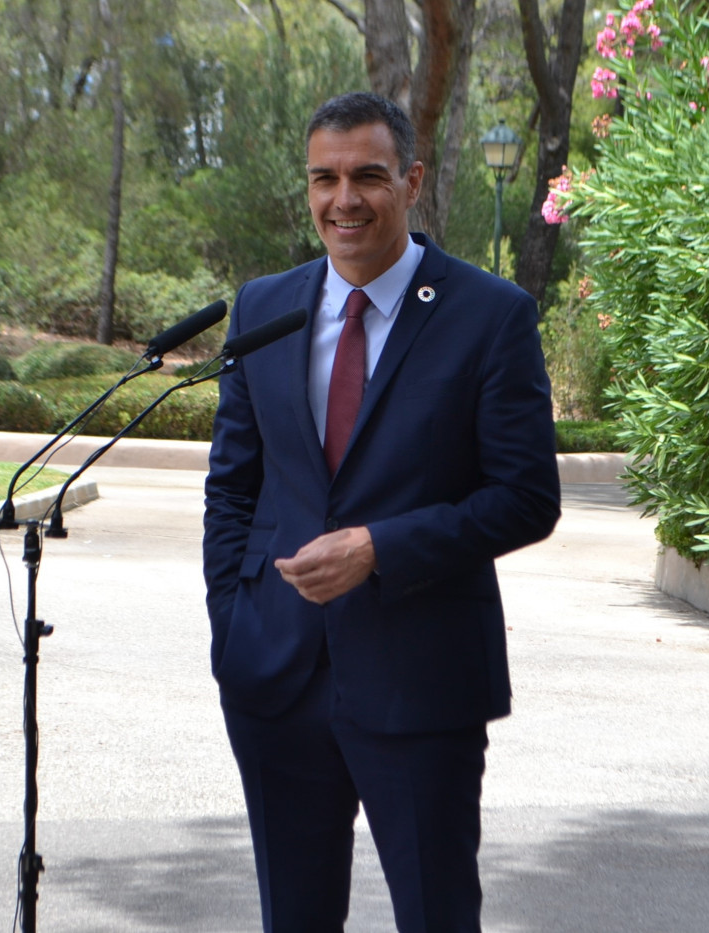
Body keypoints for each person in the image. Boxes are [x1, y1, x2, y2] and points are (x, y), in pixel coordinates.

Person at [202, 91, 561, 933]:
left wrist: (380, 548)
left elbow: (526, 497)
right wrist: (232, 617)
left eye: (367, 175)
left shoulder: (491, 316)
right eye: (323, 178)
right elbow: (232, 485)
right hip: (275, 675)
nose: (344, 199)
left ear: (412, 181)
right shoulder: (263, 309)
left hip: (421, 677)